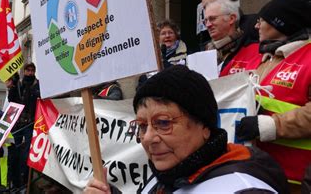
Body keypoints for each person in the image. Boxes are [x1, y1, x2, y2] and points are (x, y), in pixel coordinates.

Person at [84, 65, 288, 193]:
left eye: (163, 123)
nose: (148, 138)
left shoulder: (243, 188)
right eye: (142, 126)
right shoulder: (165, 176)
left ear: (205, 126)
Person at [236, 0, 311, 190]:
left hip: (297, 180)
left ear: (281, 24)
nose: (256, 26)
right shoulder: (268, 59)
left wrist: (269, 126)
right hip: (263, 174)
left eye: (262, 20)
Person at [204, 0, 261, 76]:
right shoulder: (206, 52)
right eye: (205, 21)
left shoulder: (254, 50)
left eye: (212, 19)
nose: (208, 25)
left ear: (231, 19)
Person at [6, 62, 40, 190]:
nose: (30, 73)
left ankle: (25, 183)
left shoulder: (37, 85)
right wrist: (12, 87)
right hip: (17, 124)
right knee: (14, 152)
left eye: (32, 70)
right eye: (28, 70)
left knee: (26, 154)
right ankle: (14, 182)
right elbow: (11, 101)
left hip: (30, 124)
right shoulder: (18, 84)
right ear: (24, 71)